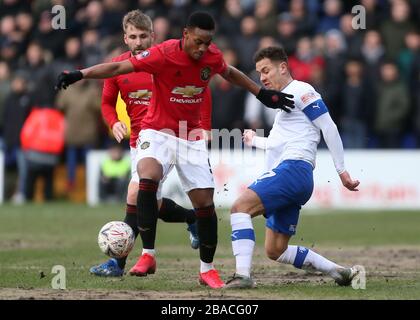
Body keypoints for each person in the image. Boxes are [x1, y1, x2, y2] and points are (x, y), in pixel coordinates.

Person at [55, 12, 294, 289]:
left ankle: (207, 270)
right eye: (198, 41)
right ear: (185, 35)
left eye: (207, 42)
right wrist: (79, 74)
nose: (202, 48)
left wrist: (261, 94)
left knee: (204, 203)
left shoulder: (211, 56)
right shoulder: (163, 54)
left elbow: (228, 73)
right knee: (146, 178)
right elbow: (117, 70)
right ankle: (147, 255)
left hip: (189, 136)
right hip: (156, 131)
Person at [225, 46, 360, 289]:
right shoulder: (286, 105)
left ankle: (242, 276)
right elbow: (280, 143)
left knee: (239, 208)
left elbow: (328, 127)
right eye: (259, 74)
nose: (262, 78)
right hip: (297, 176)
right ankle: (339, 271)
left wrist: (341, 171)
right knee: (275, 250)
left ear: (283, 67)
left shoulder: (301, 90)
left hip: (293, 170)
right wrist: (253, 140)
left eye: (266, 71)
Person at [90, 10, 202, 277]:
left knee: (136, 194)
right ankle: (192, 218)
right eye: (133, 37)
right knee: (149, 201)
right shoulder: (117, 67)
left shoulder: (166, 62)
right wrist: (113, 121)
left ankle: (118, 264)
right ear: (125, 38)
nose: (138, 42)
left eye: (143, 36)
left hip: (167, 138)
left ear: (153, 36)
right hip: (138, 142)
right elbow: (106, 102)